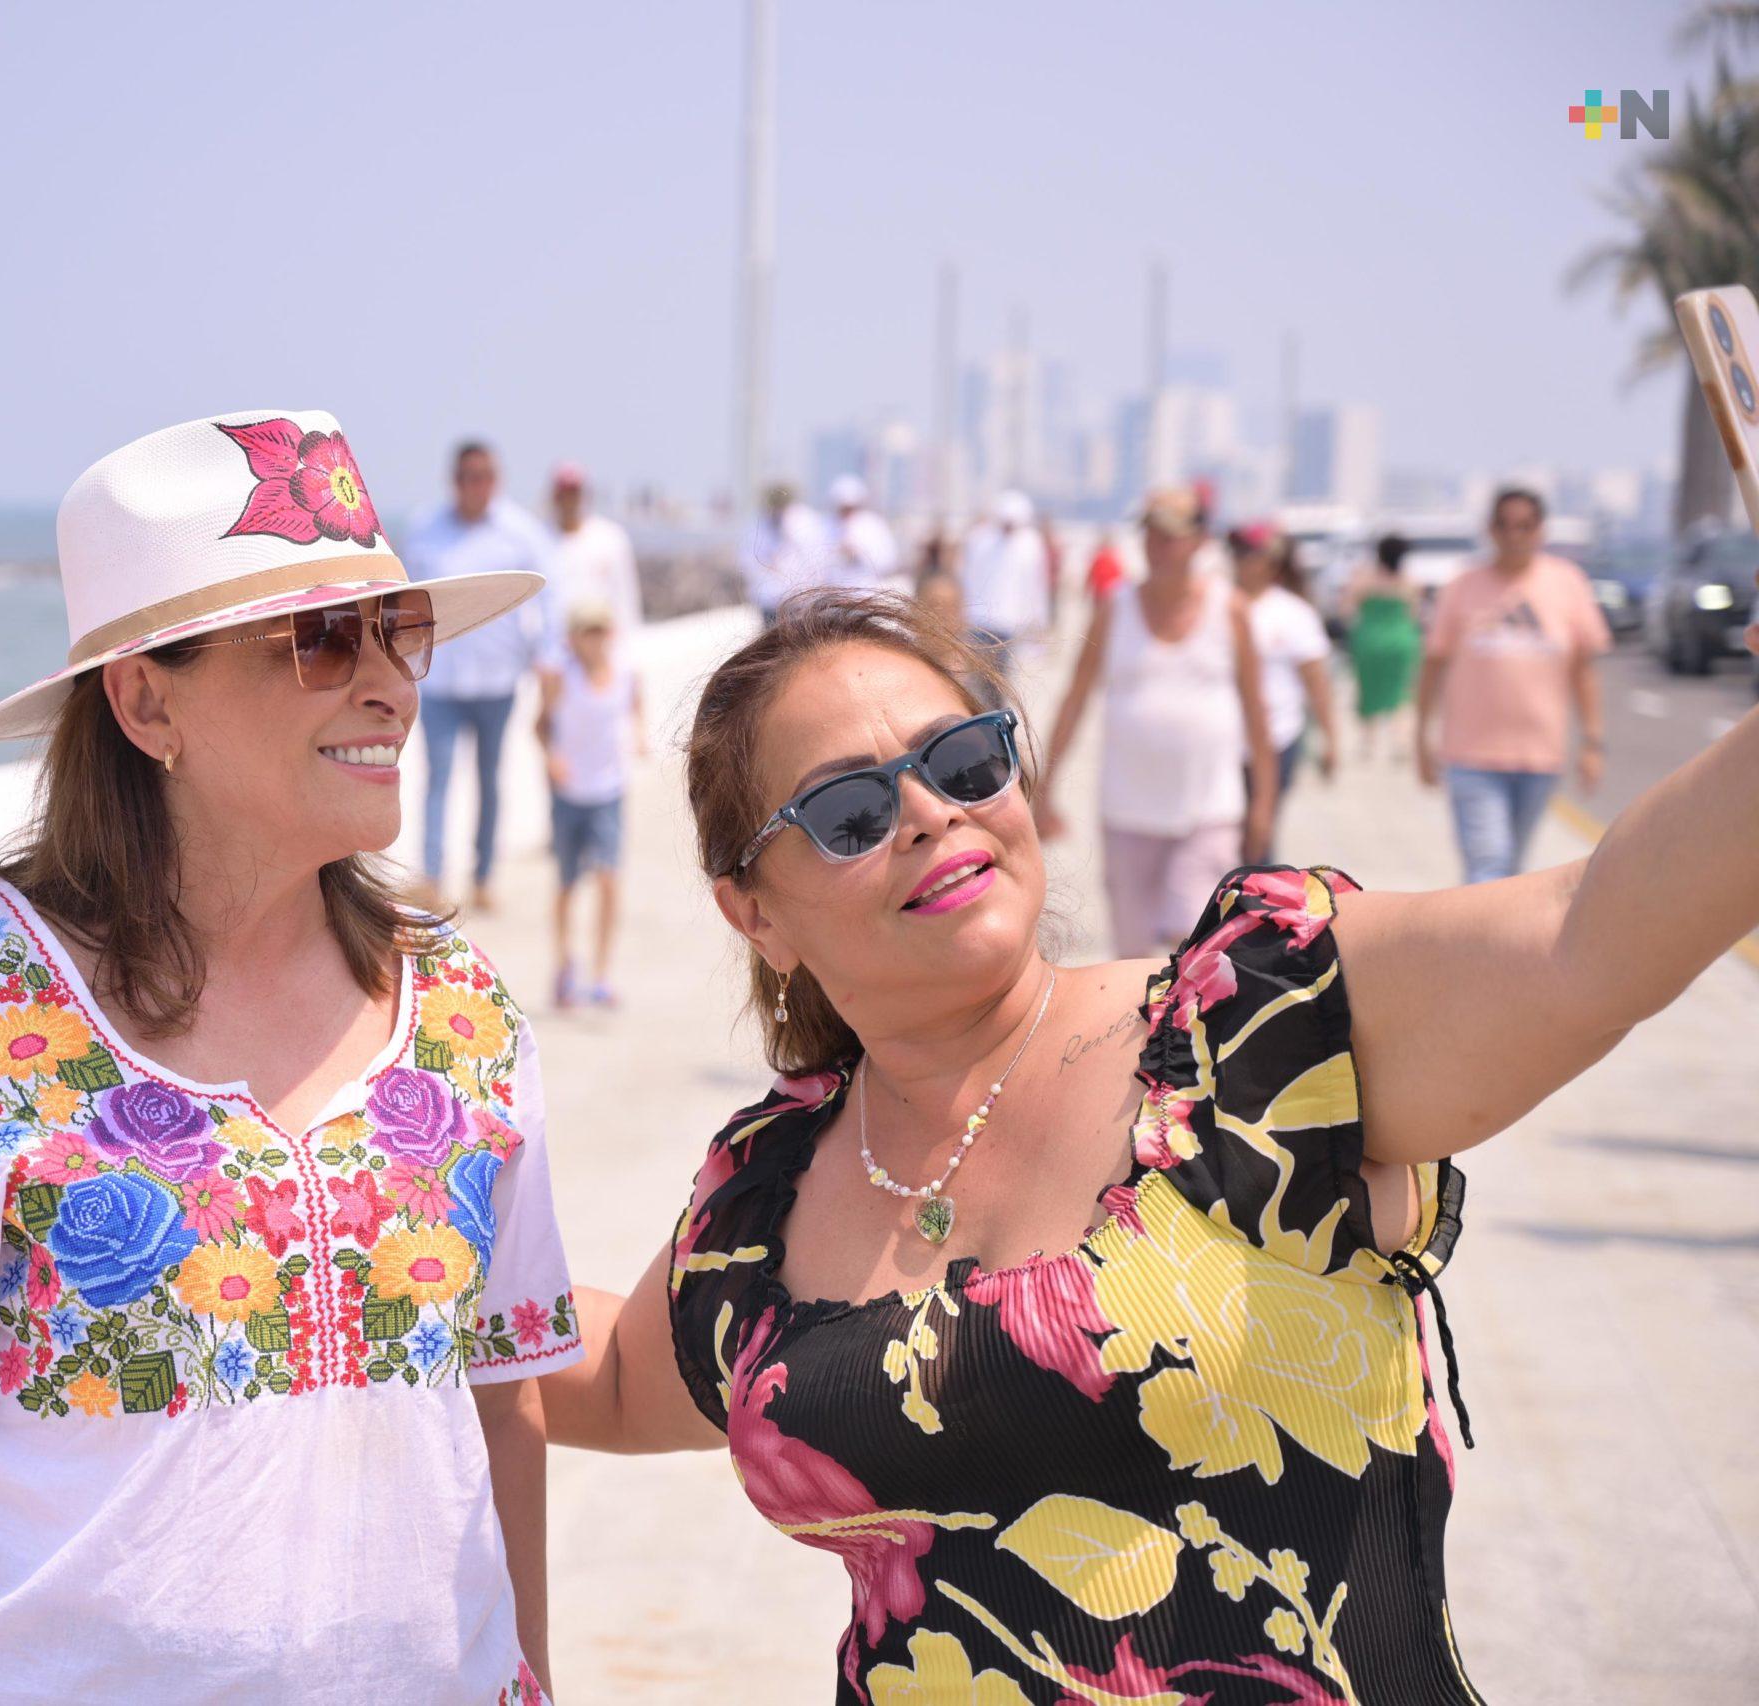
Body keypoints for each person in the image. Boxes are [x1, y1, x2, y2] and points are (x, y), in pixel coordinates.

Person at [541, 582, 1759, 1704]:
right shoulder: (765, 1192)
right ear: (755, 911)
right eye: (849, 810)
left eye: (962, 760)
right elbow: (615, 1378)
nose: (929, 812)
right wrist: (424, 1222)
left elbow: (1588, 931)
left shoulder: (1253, 1028)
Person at [0, 410, 582, 1705]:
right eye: (322, 638)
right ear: (146, 702)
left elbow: (499, 1400)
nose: (391, 685)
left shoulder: (462, 1008)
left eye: (398, 630)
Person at [1039, 485, 1277, 956]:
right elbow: (1075, 699)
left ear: (1200, 540)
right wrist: (1045, 788)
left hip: (1208, 810)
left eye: (1171, 536)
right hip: (1127, 812)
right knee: (1131, 953)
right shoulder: (1115, 607)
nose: (1157, 546)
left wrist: (1264, 805)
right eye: (1150, 534)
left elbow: (1256, 713)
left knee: (1197, 949)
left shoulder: (1229, 609)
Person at [1416, 487, 1609, 884]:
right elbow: (1433, 664)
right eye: (1504, 525)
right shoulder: (1463, 586)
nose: (1514, 535)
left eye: (1524, 526)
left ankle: (1487, 924)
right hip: (1472, 755)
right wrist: (1420, 736)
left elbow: (1582, 671)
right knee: (1488, 864)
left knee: (1511, 870)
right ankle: (1482, 926)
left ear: (1540, 530)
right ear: (1491, 529)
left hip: (1539, 756)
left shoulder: (1566, 582)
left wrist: (1592, 742)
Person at [405, 439, 552, 911]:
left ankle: (483, 876)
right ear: (455, 480)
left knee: (490, 780)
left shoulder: (521, 533)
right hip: (440, 681)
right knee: (438, 779)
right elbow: (404, 599)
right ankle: (432, 876)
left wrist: (545, 664)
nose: (477, 486)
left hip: (498, 680)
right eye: (469, 477)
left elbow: (548, 602)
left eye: (485, 476)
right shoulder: (426, 529)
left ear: (496, 480)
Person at [536, 598, 643, 1009]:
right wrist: (552, 757)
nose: (595, 641)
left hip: (609, 790)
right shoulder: (560, 677)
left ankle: (601, 973)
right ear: (574, 639)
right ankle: (565, 964)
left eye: (601, 632)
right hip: (569, 793)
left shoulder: (626, 673)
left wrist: (639, 737)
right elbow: (540, 725)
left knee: (609, 879)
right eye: (588, 633)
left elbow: (635, 709)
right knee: (567, 883)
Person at [1230, 524, 1339, 852]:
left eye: (1248, 553)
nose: (1240, 560)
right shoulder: (1219, 605)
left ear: (1271, 561)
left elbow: (1316, 682)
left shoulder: (1294, 613)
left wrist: (1330, 739)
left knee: (1260, 835)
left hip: (1278, 737)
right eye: (1236, 552)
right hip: (1224, 741)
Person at [544, 462, 644, 660]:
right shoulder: (538, 539)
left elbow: (626, 600)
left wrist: (628, 654)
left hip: (602, 650)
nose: (569, 501)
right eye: (564, 494)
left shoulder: (611, 538)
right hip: (557, 654)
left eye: (574, 494)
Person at [1344, 532, 1424, 762]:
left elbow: (1347, 609)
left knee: (1368, 690)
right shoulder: (1409, 581)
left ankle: (1367, 743)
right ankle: (1400, 743)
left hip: (1369, 640)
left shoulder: (1363, 579)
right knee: (1401, 692)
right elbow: (1414, 614)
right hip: (1401, 641)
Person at [957, 489, 1053, 661]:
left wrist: (1038, 624)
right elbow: (966, 577)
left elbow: (1036, 588)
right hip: (978, 620)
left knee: (1002, 672)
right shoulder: (979, 539)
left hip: (1010, 624)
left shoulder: (1030, 544)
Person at [746, 482, 832, 623]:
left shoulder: (806, 521)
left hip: (800, 599)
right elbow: (749, 560)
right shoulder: (759, 523)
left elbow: (818, 558)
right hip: (770, 600)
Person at [824, 474, 901, 589]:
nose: (847, 512)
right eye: (843, 507)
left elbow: (888, 560)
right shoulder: (827, 525)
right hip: (834, 591)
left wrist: (859, 554)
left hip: (866, 591)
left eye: (850, 507)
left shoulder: (873, 525)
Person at [1086, 529, 1127, 602]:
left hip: (1107, 593)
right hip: (1105, 592)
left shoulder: (1110, 558)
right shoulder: (1112, 558)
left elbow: (1090, 576)